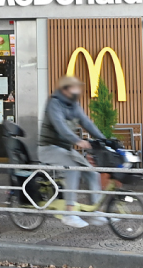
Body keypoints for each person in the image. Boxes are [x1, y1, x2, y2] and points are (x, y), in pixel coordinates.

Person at [38, 76, 106, 228]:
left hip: (65, 149)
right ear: (65, 89)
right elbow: (60, 127)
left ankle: (95, 212)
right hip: (48, 148)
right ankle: (69, 214)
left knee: (92, 172)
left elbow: (86, 122)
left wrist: (104, 140)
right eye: (75, 88)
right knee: (73, 168)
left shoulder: (74, 105)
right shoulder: (54, 103)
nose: (78, 91)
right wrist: (78, 141)